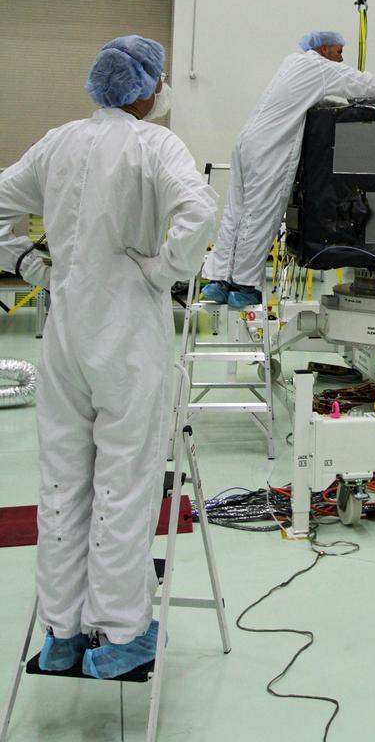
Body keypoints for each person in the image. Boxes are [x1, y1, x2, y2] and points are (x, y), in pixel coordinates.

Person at [0, 36, 218, 678]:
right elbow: (199, 211)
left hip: (64, 332)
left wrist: (28, 264)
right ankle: (123, 633)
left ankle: (61, 633)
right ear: (146, 89)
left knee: (62, 482)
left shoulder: (57, 143)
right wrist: (163, 271)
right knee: (124, 483)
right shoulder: (155, 146)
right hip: (126, 338)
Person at [201, 31, 375, 307]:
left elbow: (302, 99)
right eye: (339, 51)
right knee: (260, 215)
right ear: (324, 49)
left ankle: (219, 281)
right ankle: (244, 285)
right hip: (269, 148)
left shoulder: (293, 63)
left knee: (237, 212)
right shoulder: (320, 68)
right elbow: (367, 83)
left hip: (247, 142)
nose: (341, 58)